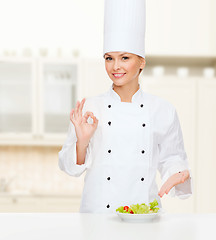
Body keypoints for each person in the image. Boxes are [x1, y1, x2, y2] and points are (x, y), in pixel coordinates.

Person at [58, 0, 192, 213]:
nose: (115, 66)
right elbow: (68, 167)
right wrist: (82, 142)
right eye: (109, 58)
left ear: (142, 62)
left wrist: (179, 173)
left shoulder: (163, 110)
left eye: (125, 58)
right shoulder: (90, 108)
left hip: (144, 215)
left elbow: (172, 158)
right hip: (98, 217)